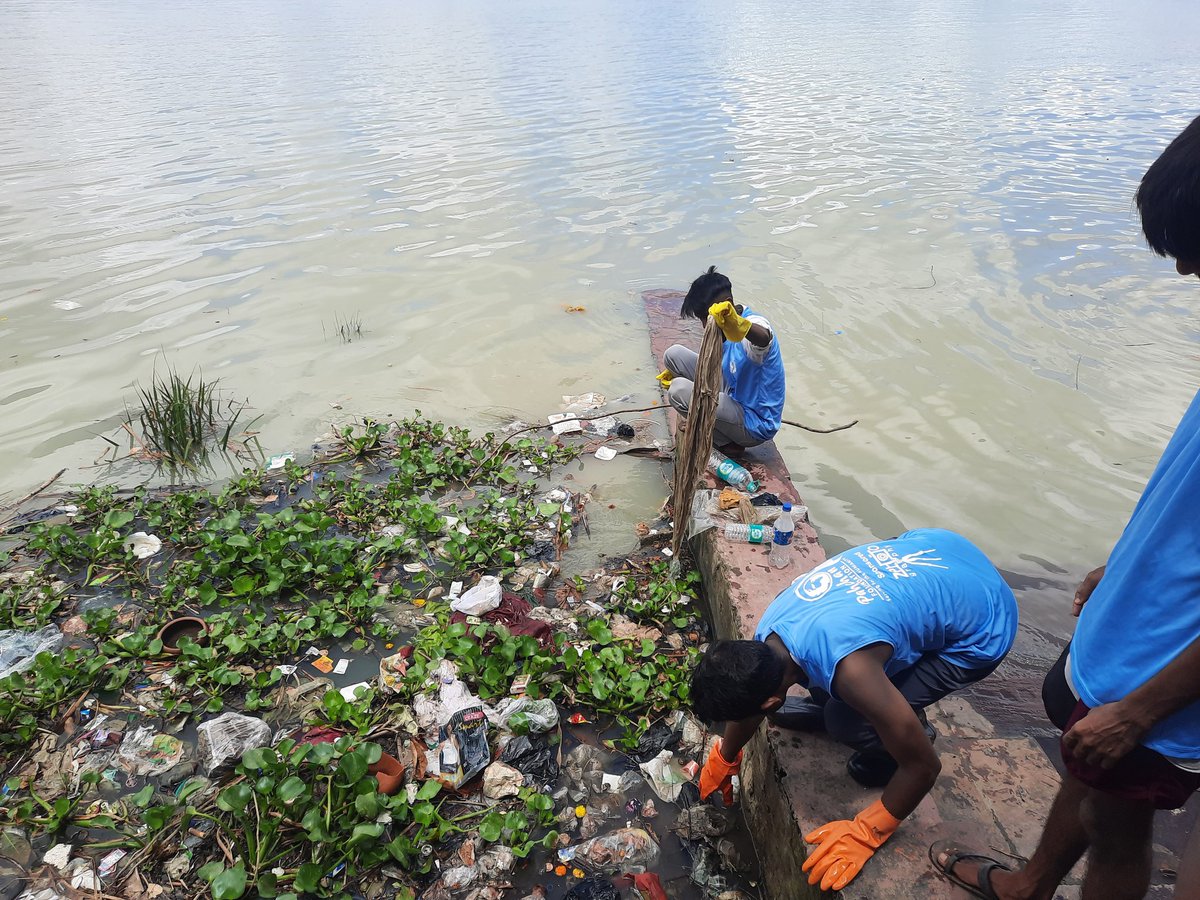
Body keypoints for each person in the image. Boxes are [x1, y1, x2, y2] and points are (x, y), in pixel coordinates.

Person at [929, 113, 1200, 900]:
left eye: (1195, 245)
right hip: (1139, 639)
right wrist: (1129, 562)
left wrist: (1140, 712)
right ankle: (1030, 884)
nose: (1185, 270)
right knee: (1087, 778)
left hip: (1161, 687)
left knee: (1119, 828)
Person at [690, 527, 1018, 892]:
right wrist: (727, 755)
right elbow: (758, 700)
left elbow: (925, 768)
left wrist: (867, 830)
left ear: (769, 700)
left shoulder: (852, 671)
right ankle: (867, 710)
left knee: (846, 720)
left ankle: (908, 732)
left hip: (985, 619)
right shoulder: (768, 635)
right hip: (938, 548)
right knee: (834, 698)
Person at [657, 265, 785, 449]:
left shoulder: (750, 325)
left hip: (752, 421)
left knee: (678, 391)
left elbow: (764, 339)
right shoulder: (724, 329)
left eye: (705, 319)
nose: (704, 326)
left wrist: (738, 324)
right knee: (673, 354)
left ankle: (722, 440)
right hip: (732, 391)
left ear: (728, 305)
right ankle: (711, 421)